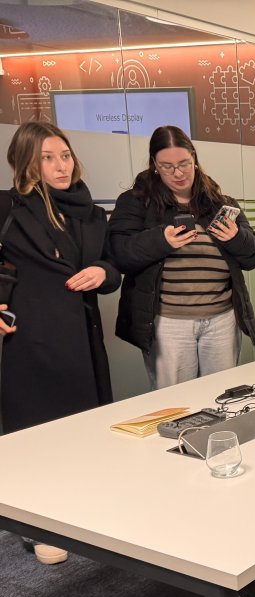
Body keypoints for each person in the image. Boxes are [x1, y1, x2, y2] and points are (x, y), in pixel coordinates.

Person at [0, 122, 122, 565]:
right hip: (29, 336)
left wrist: (103, 273)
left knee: (82, 426)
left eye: (65, 155)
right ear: (27, 162)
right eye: (48, 157)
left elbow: (112, 266)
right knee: (35, 431)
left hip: (80, 335)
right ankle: (38, 527)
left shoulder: (90, 212)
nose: (60, 165)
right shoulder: (8, 206)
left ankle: (82, 513)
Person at [109, 125, 255, 389]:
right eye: (167, 167)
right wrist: (161, 240)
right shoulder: (137, 202)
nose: (178, 173)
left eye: (184, 164)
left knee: (221, 395)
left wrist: (236, 237)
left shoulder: (221, 203)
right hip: (168, 323)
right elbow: (118, 253)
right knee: (176, 402)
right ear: (154, 165)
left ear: (194, 159)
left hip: (222, 319)